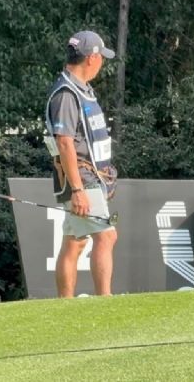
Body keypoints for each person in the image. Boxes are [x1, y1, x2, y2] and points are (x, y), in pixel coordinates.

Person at [44, 30, 118, 298]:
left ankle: (65, 304)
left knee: (75, 241)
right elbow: (64, 143)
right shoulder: (66, 93)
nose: (102, 63)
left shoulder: (82, 89)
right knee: (107, 236)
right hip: (80, 180)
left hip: (90, 178)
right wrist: (77, 190)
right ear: (91, 58)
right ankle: (105, 300)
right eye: (102, 57)